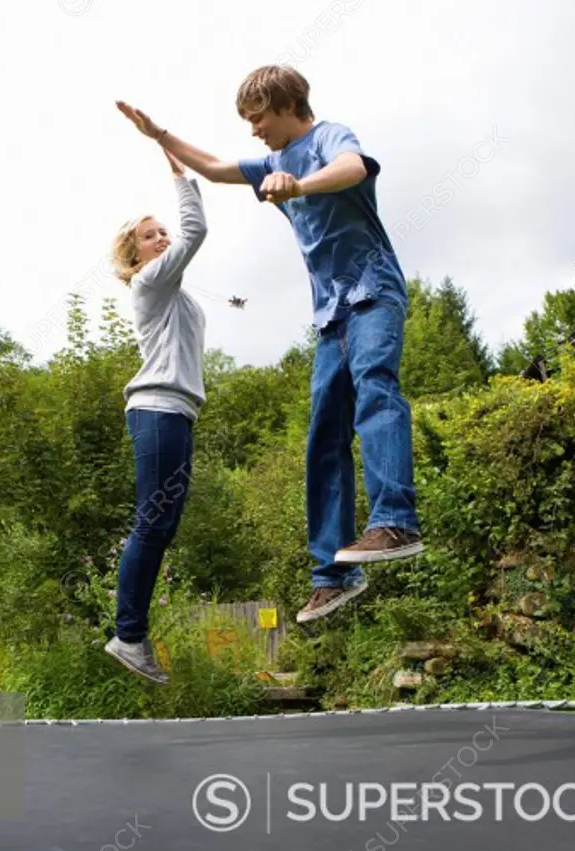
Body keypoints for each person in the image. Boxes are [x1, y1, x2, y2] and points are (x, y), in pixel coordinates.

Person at [116, 64, 423, 626]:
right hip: (331, 316)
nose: (254, 131)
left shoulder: (328, 137)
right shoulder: (271, 161)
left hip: (373, 292)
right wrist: (159, 136)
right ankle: (333, 574)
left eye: (258, 119)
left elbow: (353, 167)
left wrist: (300, 185)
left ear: (285, 106)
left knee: (377, 390)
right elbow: (210, 167)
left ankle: (395, 519)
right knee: (323, 435)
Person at [103, 144, 208, 683]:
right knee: (152, 521)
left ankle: (132, 634)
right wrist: (179, 170)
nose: (163, 238)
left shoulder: (176, 295)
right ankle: (129, 635)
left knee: (162, 524)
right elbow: (196, 233)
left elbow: (186, 242)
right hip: (158, 410)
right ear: (136, 256)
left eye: (163, 231)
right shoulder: (150, 282)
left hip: (177, 414)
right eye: (152, 235)